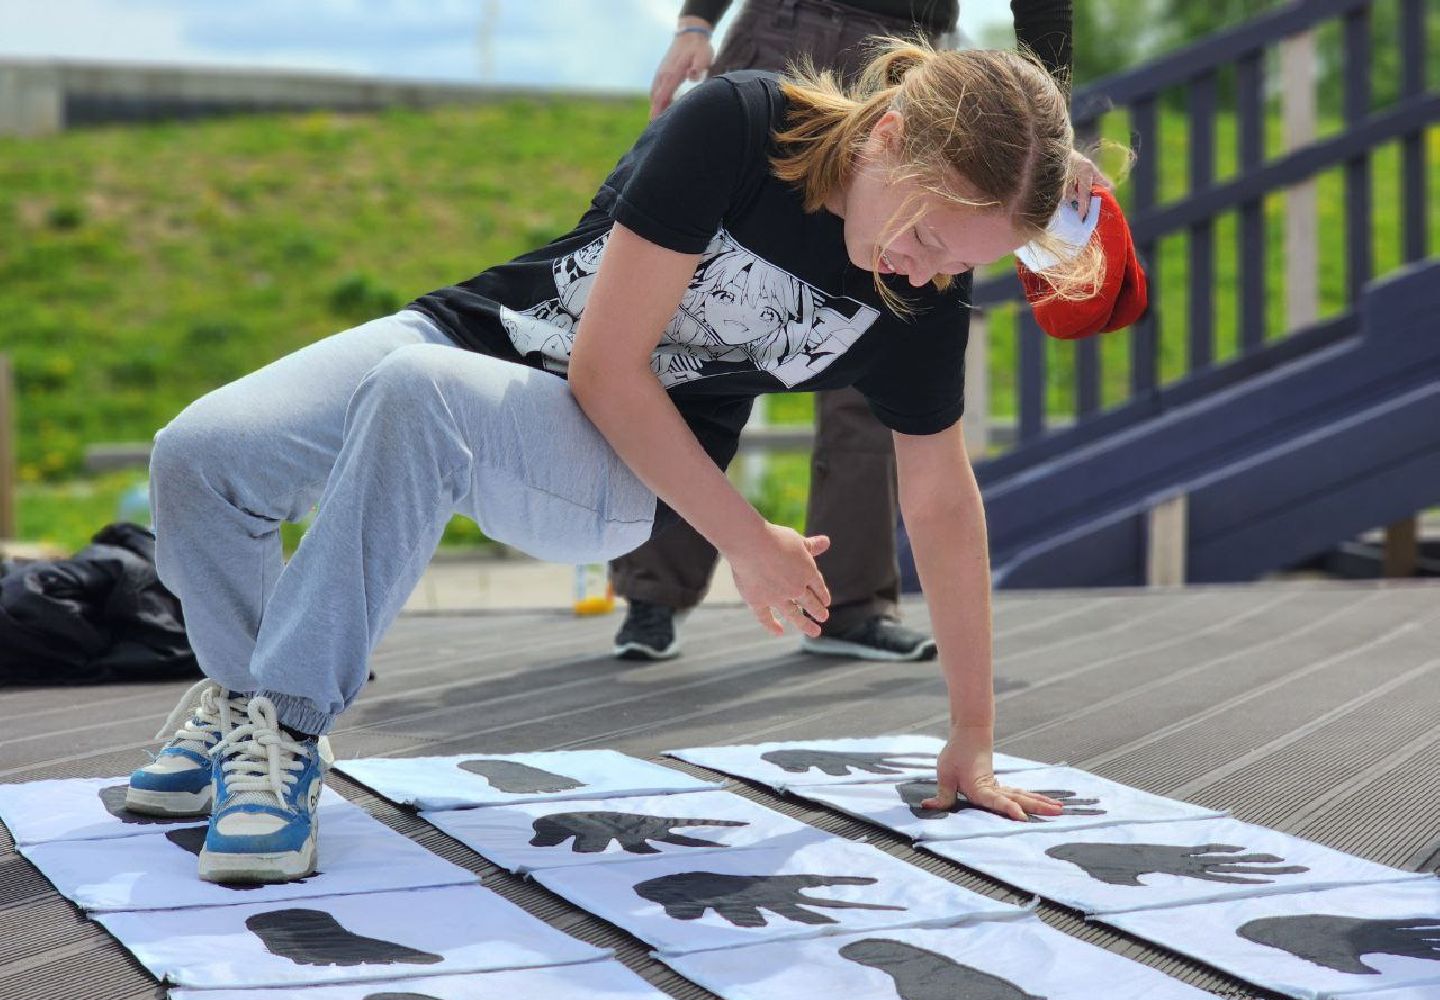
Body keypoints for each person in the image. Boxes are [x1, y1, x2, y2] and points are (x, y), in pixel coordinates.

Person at [126, 37, 1099, 884]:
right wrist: (750, 544)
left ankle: (287, 725)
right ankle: (243, 702)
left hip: (613, 468)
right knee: (202, 455)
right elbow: (604, 360)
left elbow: (939, 501)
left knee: (417, 398)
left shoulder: (916, 301)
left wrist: (972, 733)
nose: (924, 273)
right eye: (925, 236)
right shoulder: (741, 125)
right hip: (479, 337)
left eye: (957, 264)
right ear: (887, 131)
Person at [614, 0, 1082, 664]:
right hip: (780, 37)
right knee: (706, 323)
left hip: (912, 74)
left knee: (877, 346)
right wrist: (696, 20)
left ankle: (848, 602)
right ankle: (653, 590)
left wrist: (1045, 151)